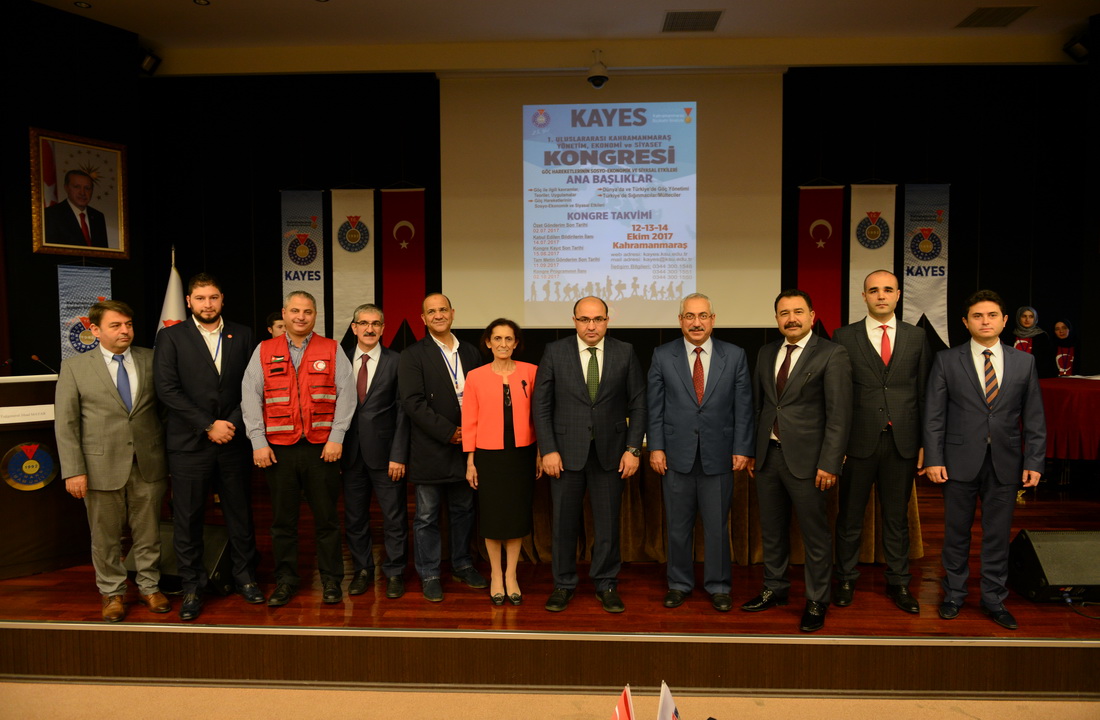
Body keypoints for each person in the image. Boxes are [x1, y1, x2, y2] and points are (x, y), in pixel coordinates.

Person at [924, 289, 1046, 630]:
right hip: (957, 461)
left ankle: (994, 599)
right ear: (966, 322)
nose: (985, 321)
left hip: (1006, 462)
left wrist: (1034, 462)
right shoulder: (947, 360)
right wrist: (933, 457)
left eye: (992, 315)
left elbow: (1034, 417)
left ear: (1004, 321)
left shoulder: (1024, 362)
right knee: (956, 534)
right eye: (977, 316)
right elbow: (934, 415)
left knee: (997, 536)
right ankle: (953, 595)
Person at [154, 273, 263, 621]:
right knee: (188, 518)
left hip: (232, 440)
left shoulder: (242, 334)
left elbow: (251, 385)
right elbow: (167, 390)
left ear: (222, 300)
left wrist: (229, 424)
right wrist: (207, 425)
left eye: (213, 297)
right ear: (188, 301)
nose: (207, 304)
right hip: (190, 444)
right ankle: (192, 587)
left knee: (240, 514)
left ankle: (245, 577)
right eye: (200, 298)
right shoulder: (171, 337)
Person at [743, 289, 852, 633]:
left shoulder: (832, 354)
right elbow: (759, 407)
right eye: (784, 313)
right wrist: (752, 451)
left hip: (809, 461)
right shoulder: (766, 353)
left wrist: (830, 463)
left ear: (812, 316)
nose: (791, 318)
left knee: (815, 536)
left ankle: (817, 600)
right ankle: (775, 588)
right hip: (768, 458)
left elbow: (839, 415)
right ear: (776, 319)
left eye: (798, 312)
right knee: (772, 530)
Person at [54, 300, 168, 622]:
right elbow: (66, 423)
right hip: (99, 468)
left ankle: (149, 587)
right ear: (95, 330)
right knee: (105, 537)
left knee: (149, 533)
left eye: (128, 325)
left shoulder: (152, 359)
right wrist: (73, 470)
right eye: (116, 326)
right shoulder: (74, 368)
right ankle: (112, 593)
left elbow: (165, 411)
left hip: (148, 463)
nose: (125, 331)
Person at [241, 290, 355, 607]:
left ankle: (331, 581)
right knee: (283, 523)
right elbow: (250, 395)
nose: (300, 317)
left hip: (323, 448)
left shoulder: (331, 349)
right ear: (284, 313)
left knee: (327, 520)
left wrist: (337, 437)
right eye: (295, 311)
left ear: (315, 315)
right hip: (279, 450)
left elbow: (347, 394)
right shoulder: (264, 350)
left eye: (307, 311)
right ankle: (286, 581)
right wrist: (258, 441)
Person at [534, 296, 646, 614]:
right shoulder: (555, 351)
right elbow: (541, 405)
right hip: (565, 453)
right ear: (574, 321)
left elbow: (639, 403)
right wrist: (548, 449)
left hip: (611, 454)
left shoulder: (625, 352)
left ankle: (606, 583)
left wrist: (633, 449)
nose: (591, 325)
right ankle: (563, 584)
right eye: (584, 319)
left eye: (597, 319)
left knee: (608, 525)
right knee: (564, 524)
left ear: (608, 320)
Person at [831, 270, 930, 615]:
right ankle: (845, 579)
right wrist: (837, 445)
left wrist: (925, 443)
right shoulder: (844, 336)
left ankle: (899, 581)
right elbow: (837, 395)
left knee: (896, 519)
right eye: (874, 290)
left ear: (898, 294)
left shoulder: (917, 337)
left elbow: (924, 393)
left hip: (902, 442)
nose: (881, 295)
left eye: (888, 290)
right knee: (850, 517)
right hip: (857, 443)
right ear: (864, 296)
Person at [646, 293, 753, 612]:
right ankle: (678, 584)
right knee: (678, 527)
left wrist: (742, 447)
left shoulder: (735, 355)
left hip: (719, 455)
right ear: (680, 321)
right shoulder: (662, 355)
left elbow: (744, 406)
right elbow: (654, 407)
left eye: (703, 316)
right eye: (690, 316)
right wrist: (656, 447)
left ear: (713, 319)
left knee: (717, 526)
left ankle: (719, 586)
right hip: (675, 456)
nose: (696, 322)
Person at [398, 293, 488, 602]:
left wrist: (470, 434)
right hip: (431, 448)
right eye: (431, 311)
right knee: (426, 516)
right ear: (423, 319)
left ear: (452, 313)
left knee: (464, 510)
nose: (438, 315)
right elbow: (413, 403)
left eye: (443, 309)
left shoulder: (472, 352)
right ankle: (430, 573)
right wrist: (449, 432)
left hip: (467, 449)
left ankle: (462, 564)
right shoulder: (412, 355)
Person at [463, 319, 541, 605]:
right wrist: (471, 460)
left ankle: (511, 575)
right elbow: (469, 420)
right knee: (493, 517)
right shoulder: (475, 376)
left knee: (516, 516)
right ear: (488, 342)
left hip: (521, 455)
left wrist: (540, 452)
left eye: (509, 339)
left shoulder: (531, 372)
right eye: (497, 338)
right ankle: (496, 574)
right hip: (488, 455)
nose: (503, 344)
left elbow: (539, 416)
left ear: (516, 343)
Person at [342, 303, 411, 599]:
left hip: (386, 455)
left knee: (394, 517)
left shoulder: (397, 361)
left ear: (383, 328)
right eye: (363, 323)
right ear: (354, 327)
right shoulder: (340, 359)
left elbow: (403, 412)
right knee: (355, 518)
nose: (369, 329)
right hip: (348, 454)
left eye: (375, 324)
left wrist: (398, 454)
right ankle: (362, 570)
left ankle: (394, 572)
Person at [44, 169, 110, 247]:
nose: (82, 193)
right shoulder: (51, 215)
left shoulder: (98, 217)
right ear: (66, 188)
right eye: (77, 187)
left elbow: (103, 251)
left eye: (87, 188)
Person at [1008, 306, 1054, 379]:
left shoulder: (1042, 336)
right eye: (1024, 316)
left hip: (1036, 377)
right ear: (1018, 317)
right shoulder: (1010, 335)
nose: (1027, 319)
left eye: (1031, 316)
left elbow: (1046, 362)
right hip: (1012, 377)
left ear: (1035, 318)